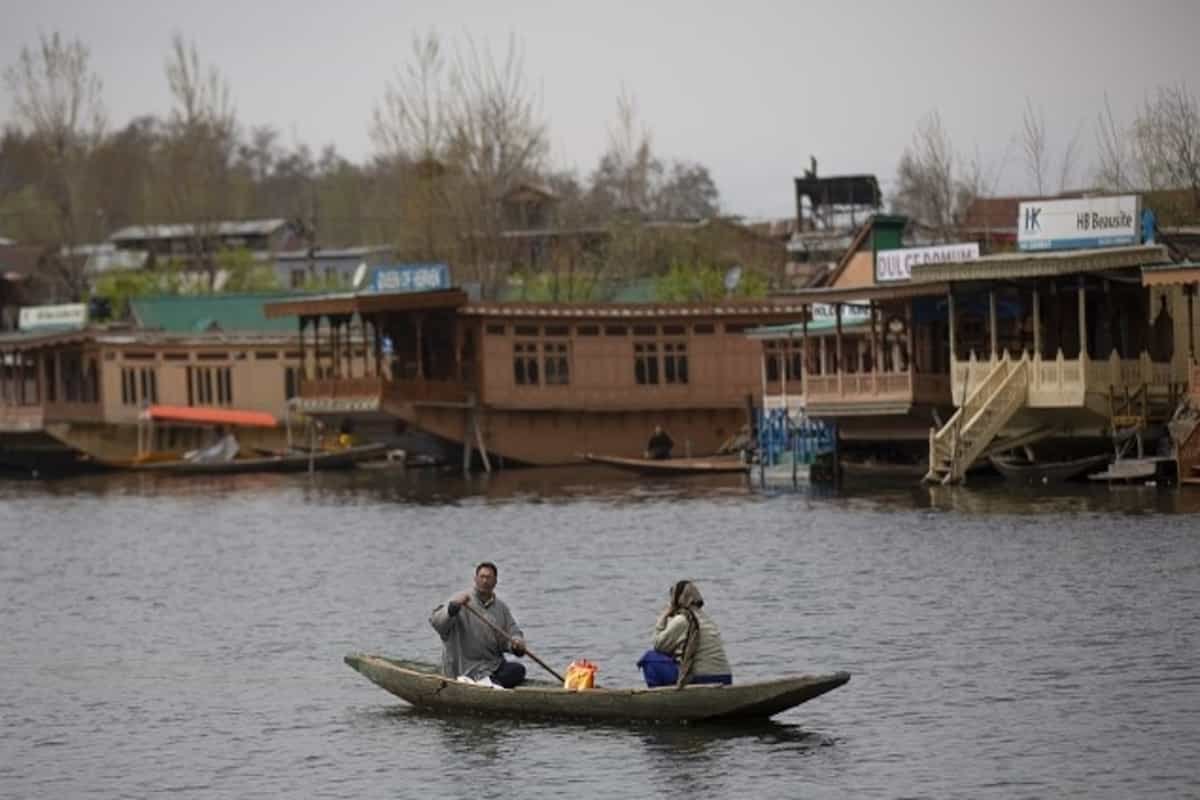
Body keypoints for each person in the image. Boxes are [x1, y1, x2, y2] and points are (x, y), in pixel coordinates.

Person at [429, 561, 528, 688]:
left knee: (518, 670)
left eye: (489, 577)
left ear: (495, 582)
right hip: (465, 667)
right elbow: (436, 622)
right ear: (475, 579)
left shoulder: (501, 608)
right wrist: (453, 608)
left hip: (492, 666)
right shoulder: (461, 600)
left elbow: (512, 632)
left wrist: (516, 644)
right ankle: (486, 684)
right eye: (482, 577)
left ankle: (489, 683)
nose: (485, 581)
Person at [636, 580, 732, 688]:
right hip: (725, 677)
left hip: (703, 678)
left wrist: (664, 617)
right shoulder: (707, 619)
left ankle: (660, 698)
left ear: (677, 599)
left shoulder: (683, 620)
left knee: (650, 658)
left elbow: (659, 645)